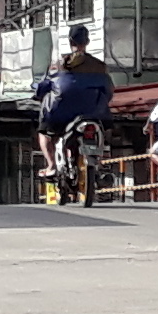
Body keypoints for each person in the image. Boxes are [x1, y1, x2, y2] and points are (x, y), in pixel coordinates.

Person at [33, 25, 114, 199]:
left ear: (70, 42)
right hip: (94, 113)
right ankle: (101, 163)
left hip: (61, 114)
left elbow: (42, 88)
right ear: (88, 41)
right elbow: (109, 91)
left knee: (44, 132)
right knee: (105, 131)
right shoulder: (100, 66)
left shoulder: (58, 65)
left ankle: (51, 165)